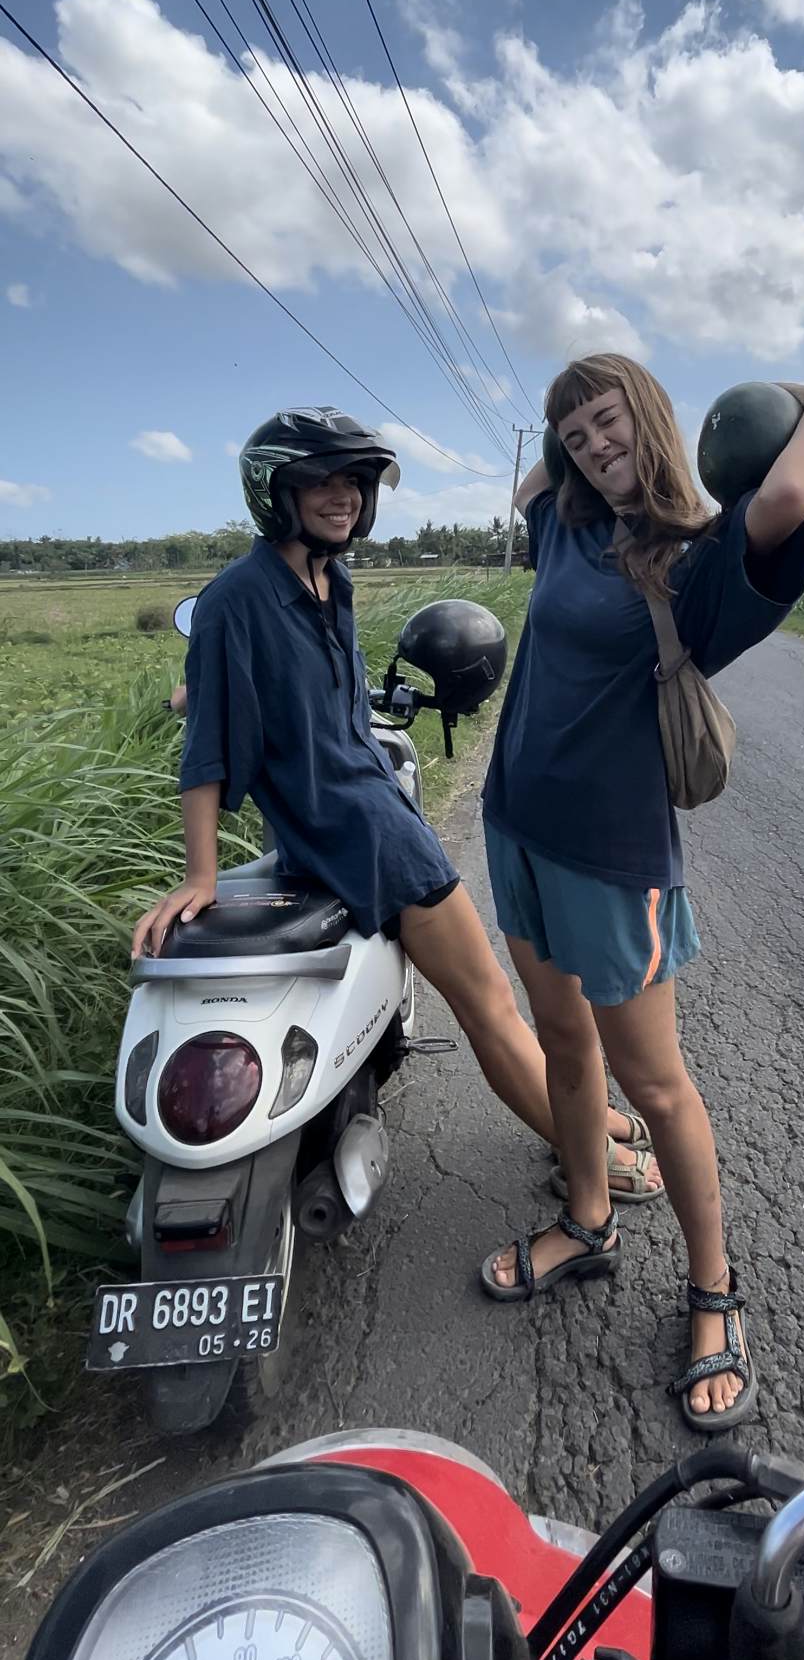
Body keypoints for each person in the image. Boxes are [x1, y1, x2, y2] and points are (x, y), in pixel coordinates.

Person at [132, 406, 663, 1203]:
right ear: (276, 490)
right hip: (366, 834)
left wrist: (193, 689)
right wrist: (199, 874)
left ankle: (599, 1123)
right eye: (321, 480)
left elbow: (308, 698)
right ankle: (590, 1154)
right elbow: (207, 750)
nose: (343, 495)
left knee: (493, 999)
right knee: (488, 1004)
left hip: (363, 813)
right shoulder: (236, 599)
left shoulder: (326, 579)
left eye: (354, 480)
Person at [478, 355, 804, 1428]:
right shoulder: (567, 525)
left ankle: (714, 1291)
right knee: (562, 1043)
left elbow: (786, 491)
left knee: (660, 1085)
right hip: (515, 828)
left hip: (610, 856)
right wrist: (564, 440)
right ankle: (590, 1221)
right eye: (576, 433)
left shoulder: (704, 558)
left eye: (609, 423)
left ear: (651, 416)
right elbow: (533, 483)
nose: (593, 445)